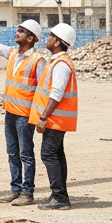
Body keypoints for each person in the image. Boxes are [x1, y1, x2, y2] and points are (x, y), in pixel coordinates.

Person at [0, 20, 45, 206]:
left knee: (26, 154)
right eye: (18, 29)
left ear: (31, 38)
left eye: (21, 31)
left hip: (25, 116)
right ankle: (16, 189)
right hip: (10, 113)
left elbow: (43, 91)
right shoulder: (12, 54)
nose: (17, 33)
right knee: (12, 153)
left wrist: (40, 117)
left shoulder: (37, 61)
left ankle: (28, 192)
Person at [30, 22, 78, 210]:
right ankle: (60, 195)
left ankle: (59, 197)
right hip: (57, 118)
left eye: (51, 36)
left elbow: (56, 93)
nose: (47, 39)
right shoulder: (57, 61)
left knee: (48, 154)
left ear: (58, 42)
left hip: (55, 119)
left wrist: (43, 118)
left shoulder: (61, 64)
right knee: (57, 154)